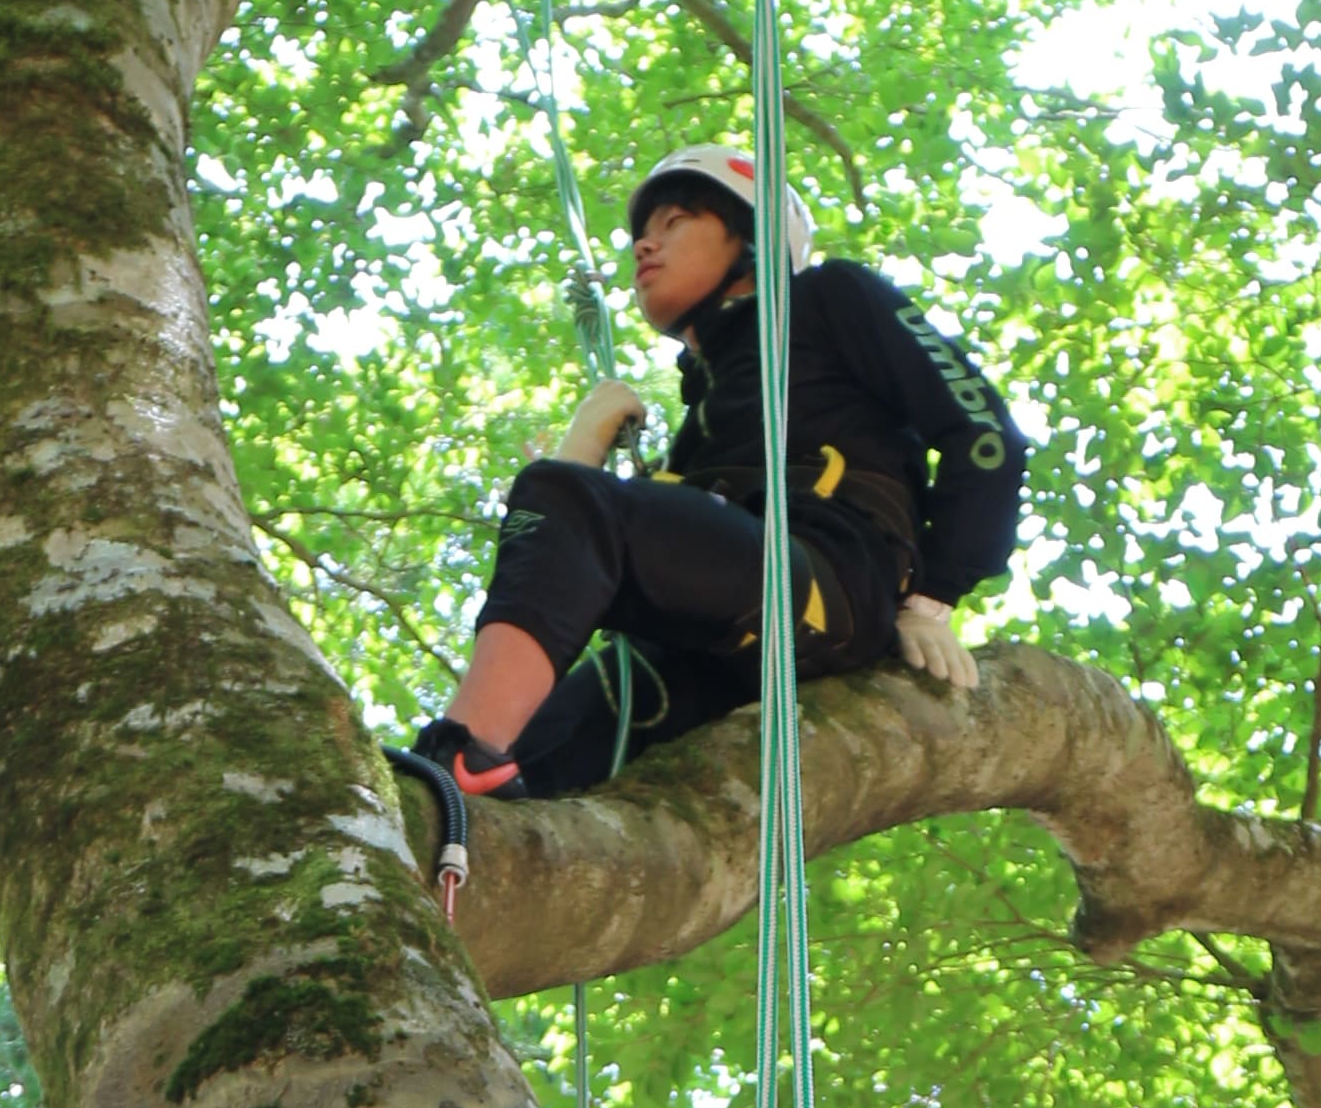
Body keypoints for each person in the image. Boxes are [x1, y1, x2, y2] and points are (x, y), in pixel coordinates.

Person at [393, 144, 1023, 838]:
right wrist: (589, 433)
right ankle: (460, 818)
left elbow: (985, 435)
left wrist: (931, 599)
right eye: (644, 229)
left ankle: (459, 757)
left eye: (676, 221)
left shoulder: (827, 299)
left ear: (750, 238)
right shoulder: (704, 423)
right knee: (544, 751)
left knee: (571, 514)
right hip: (721, 640)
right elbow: (564, 559)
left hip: (822, 583)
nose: (644, 244)